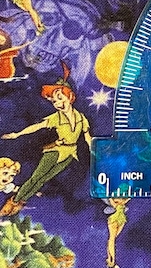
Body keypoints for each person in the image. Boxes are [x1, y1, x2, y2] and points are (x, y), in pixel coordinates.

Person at [1, 65, 91, 216]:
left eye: (60, 98)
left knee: (44, 180)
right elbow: (37, 126)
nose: (58, 103)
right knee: (36, 178)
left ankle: (21, 201)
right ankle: (14, 201)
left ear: (70, 96)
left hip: (70, 154)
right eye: (54, 102)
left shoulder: (81, 118)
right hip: (55, 151)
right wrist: (17, 134)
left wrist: (94, 151)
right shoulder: (56, 117)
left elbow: (87, 136)